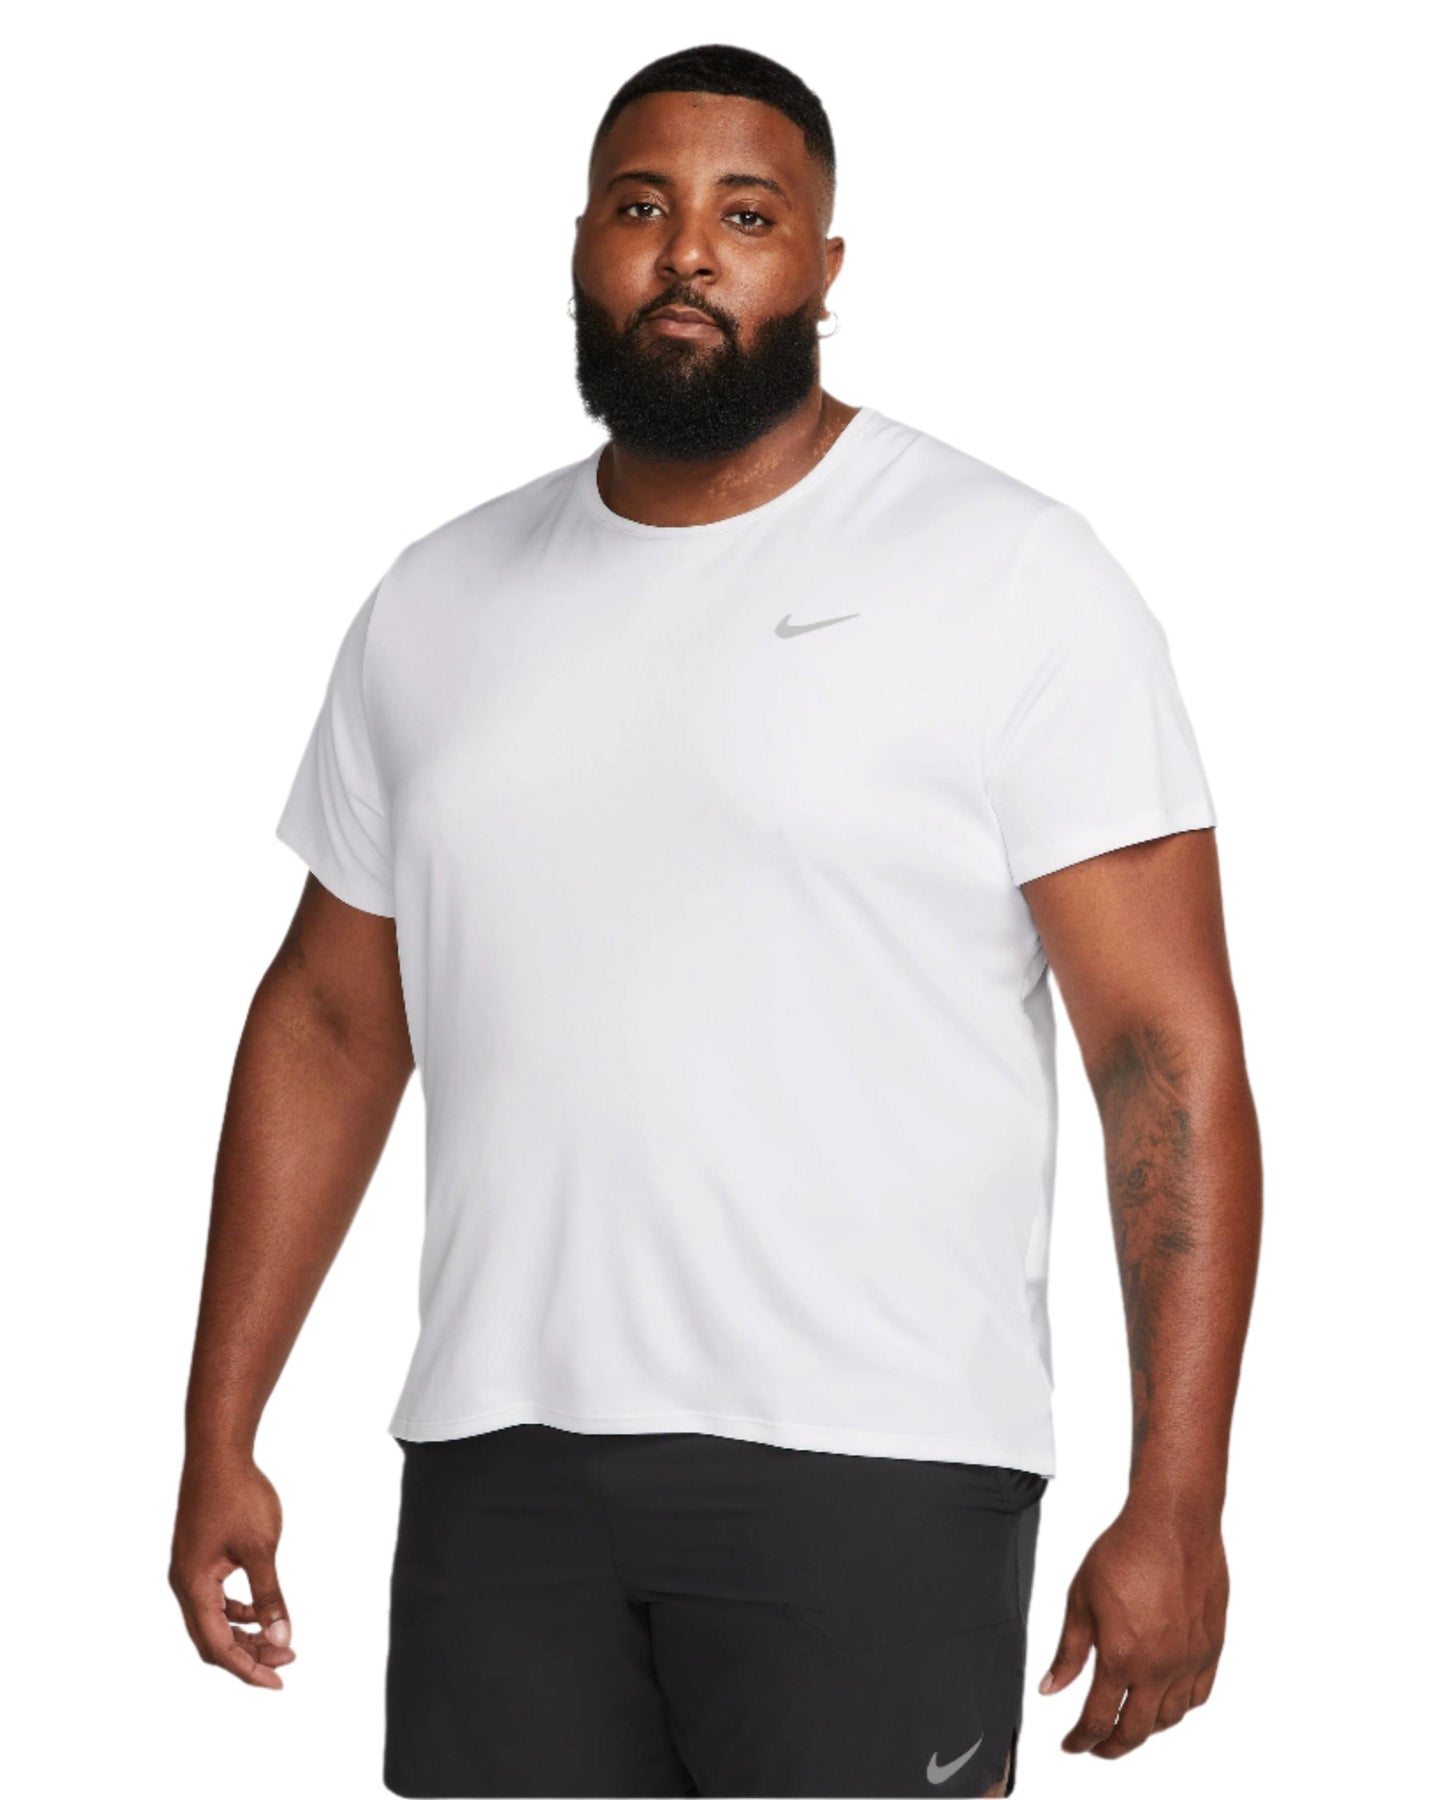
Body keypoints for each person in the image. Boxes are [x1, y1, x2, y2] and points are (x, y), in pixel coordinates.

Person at [168, 42, 1261, 1800]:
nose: (687, 250)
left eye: (747, 216)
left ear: (823, 266)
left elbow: (1161, 1047)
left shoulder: (1007, 574)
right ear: (582, 248)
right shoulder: (438, 601)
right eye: (642, 207)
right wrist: (222, 1425)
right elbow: (330, 1022)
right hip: (501, 1464)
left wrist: (1180, 1497)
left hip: (875, 1462)